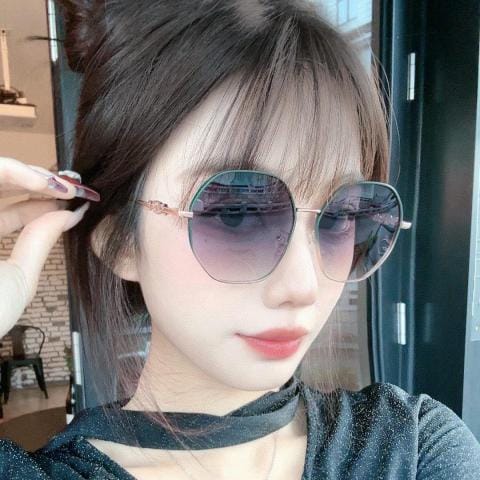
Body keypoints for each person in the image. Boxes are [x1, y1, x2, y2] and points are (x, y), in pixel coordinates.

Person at [1, 0, 480, 479]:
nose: (304, 286)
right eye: (236, 213)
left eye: (340, 217)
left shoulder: (415, 446)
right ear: (120, 241)